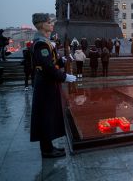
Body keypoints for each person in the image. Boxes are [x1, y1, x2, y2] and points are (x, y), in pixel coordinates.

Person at [29, 13, 76, 158]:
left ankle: (49, 147)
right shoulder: (41, 43)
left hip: (48, 84)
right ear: (42, 25)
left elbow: (53, 62)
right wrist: (64, 77)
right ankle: (47, 150)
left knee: (48, 115)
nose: (52, 24)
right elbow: (48, 67)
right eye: (49, 22)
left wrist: (63, 59)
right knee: (45, 116)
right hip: (45, 84)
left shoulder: (45, 42)